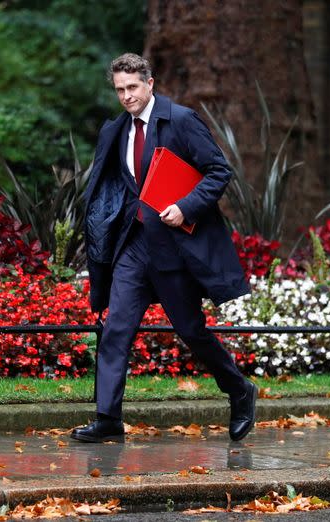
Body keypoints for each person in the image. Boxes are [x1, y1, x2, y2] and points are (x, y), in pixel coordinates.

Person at [71, 53, 257, 444]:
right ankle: (108, 418)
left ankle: (240, 391)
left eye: (132, 87)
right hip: (132, 247)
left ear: (150, 83)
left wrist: (185, 206)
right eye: (119, 89)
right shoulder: (116, 131)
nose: (126, 96)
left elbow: (219, 171)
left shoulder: (182, 120)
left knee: (192, 331)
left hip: (175, 249)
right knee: (116, 329)